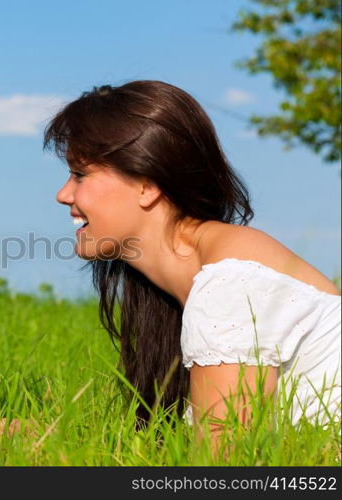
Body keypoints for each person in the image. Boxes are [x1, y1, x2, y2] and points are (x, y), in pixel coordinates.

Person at [44, 80, 341, 444]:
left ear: (147, 184)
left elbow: (221, 468)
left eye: (80, 174)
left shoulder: (231, 281)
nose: (63, 194)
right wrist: (58, 437)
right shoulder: (199, 284)